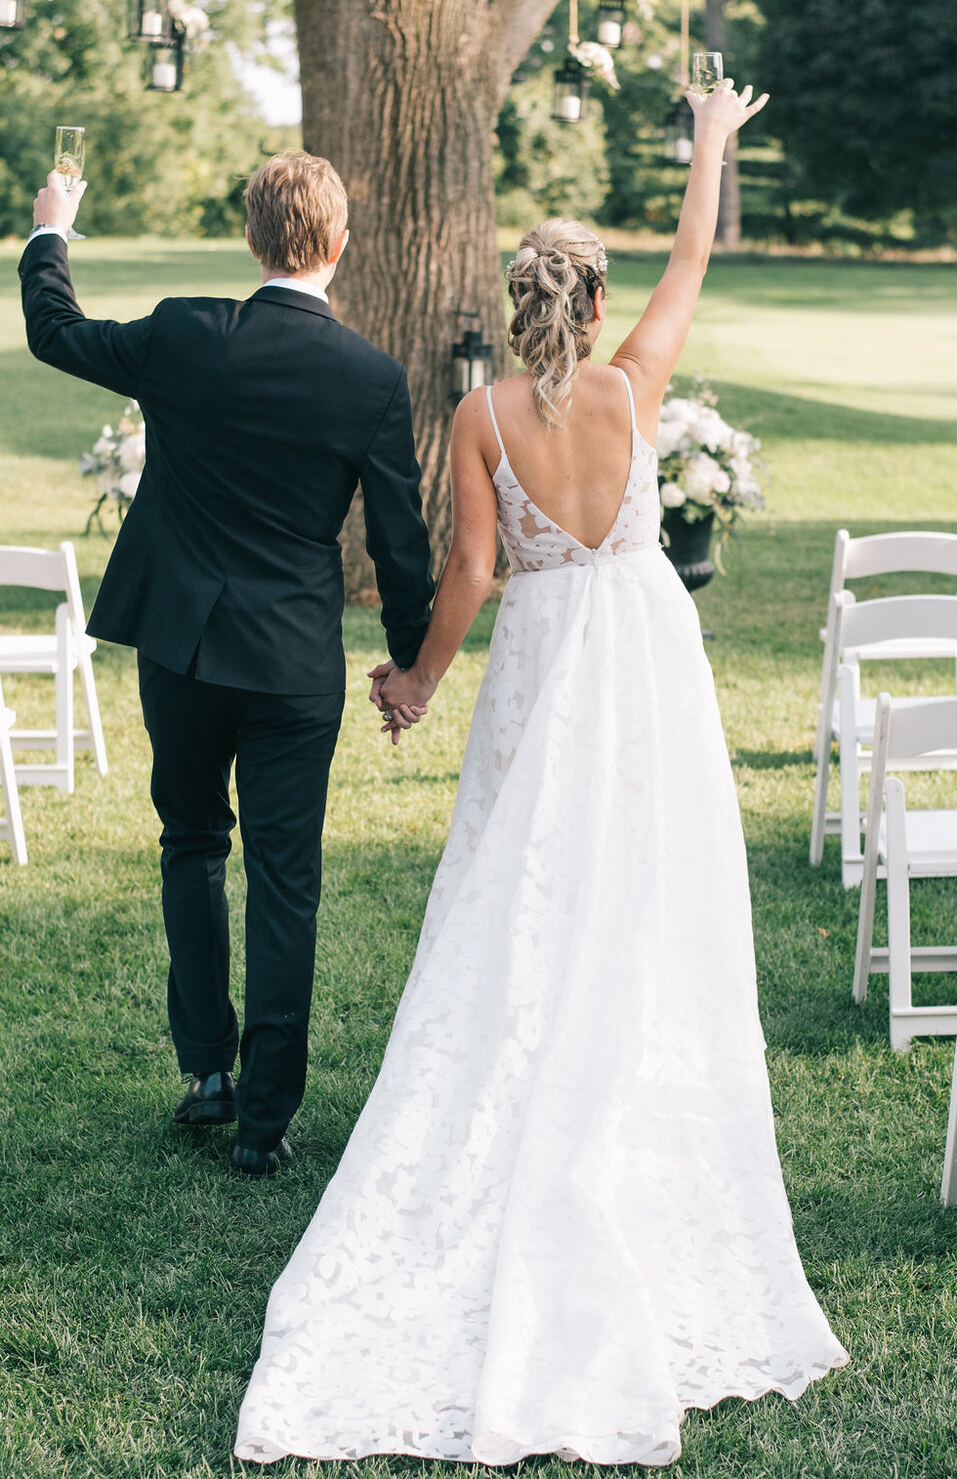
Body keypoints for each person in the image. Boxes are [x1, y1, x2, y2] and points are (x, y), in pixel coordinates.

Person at [235, 82, 847, 1464]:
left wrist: (414, 683)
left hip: (550, 664)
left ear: (519, 305)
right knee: (642, 878)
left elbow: (469, 574)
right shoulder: (635, 388)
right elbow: (695, 261)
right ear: (593, 300)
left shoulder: (483, 417)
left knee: (521, 882)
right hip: (644, 657)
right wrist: (712, 140)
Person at [19, 151, 435, 1178]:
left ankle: (206, 1074)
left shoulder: (184, 332)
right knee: (285, 883)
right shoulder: (373, 380)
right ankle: (262, 1122)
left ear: (253, 240)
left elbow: (54, 332)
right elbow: (401, 546)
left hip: (182, 648)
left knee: (192, 843)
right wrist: (407, 665)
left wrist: (51, 228)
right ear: (337, 244)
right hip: (294, 663)